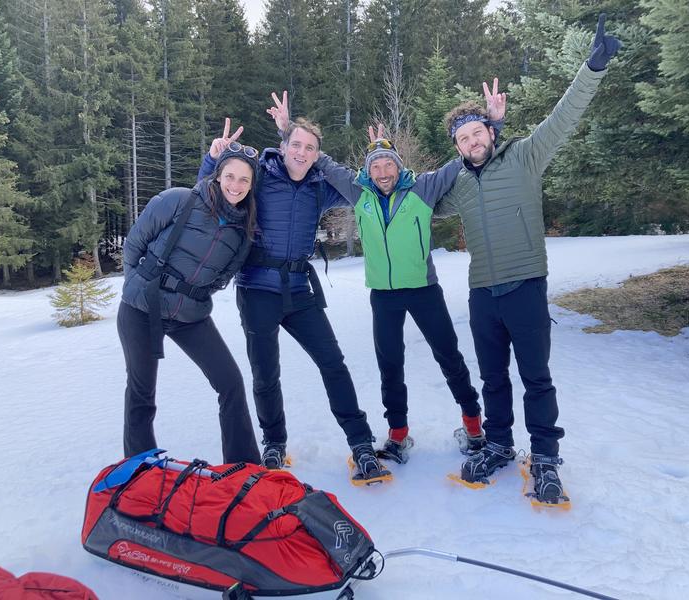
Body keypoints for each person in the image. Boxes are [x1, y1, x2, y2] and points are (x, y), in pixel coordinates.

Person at [437, 14, 621, 503]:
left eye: (477, 133)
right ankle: (498, 445)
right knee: (493, 377)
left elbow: (565, 116)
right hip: (483, 293)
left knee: (536, 378)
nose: (473, 142)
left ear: (491, 131)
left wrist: (592, 68)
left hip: (525, 287)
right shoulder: (455, 183)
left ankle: (544, 457)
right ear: (456, 147)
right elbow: (417, 202)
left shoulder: (525, 157)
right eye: (463, 138)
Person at [265, 90, 503, 464]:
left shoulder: (422, 188)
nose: (382, 172)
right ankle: (398, 435)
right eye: (375, 166)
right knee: (390, 364)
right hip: (384, 296)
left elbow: (465, 158)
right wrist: (285, 132)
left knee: (449, 357)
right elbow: (321, 162)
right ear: (368, 170)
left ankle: (474, 426)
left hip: (424, 290)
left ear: (398, 165)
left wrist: (494, 126)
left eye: (387, 165)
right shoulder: (359, 192)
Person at [197, 117, 390, 484]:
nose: (302, 153)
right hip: (257, 289)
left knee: (333, 364)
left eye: (310, 148)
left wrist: (375, 157)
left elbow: (361, 191)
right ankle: (273, 443)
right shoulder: (260, 176)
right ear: (282, 146)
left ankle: (362, 445)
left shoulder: (320, 185)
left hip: (300, 290)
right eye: (296, 145)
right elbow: (213, 193)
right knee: (265, 373)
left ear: (318, 155)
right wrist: (213, 159)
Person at [119, 132, 261, 465]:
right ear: (218, 174)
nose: (235, 185)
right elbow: (133, 245)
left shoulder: (243, 231)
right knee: (142, 393)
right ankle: (140, 468)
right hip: (142, 307)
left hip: (191, 316)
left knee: (230, 383)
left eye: (244, 180)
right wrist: (137, 288)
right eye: (230, 176)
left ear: (252, 185)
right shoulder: (179, 200)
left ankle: (243, 467)